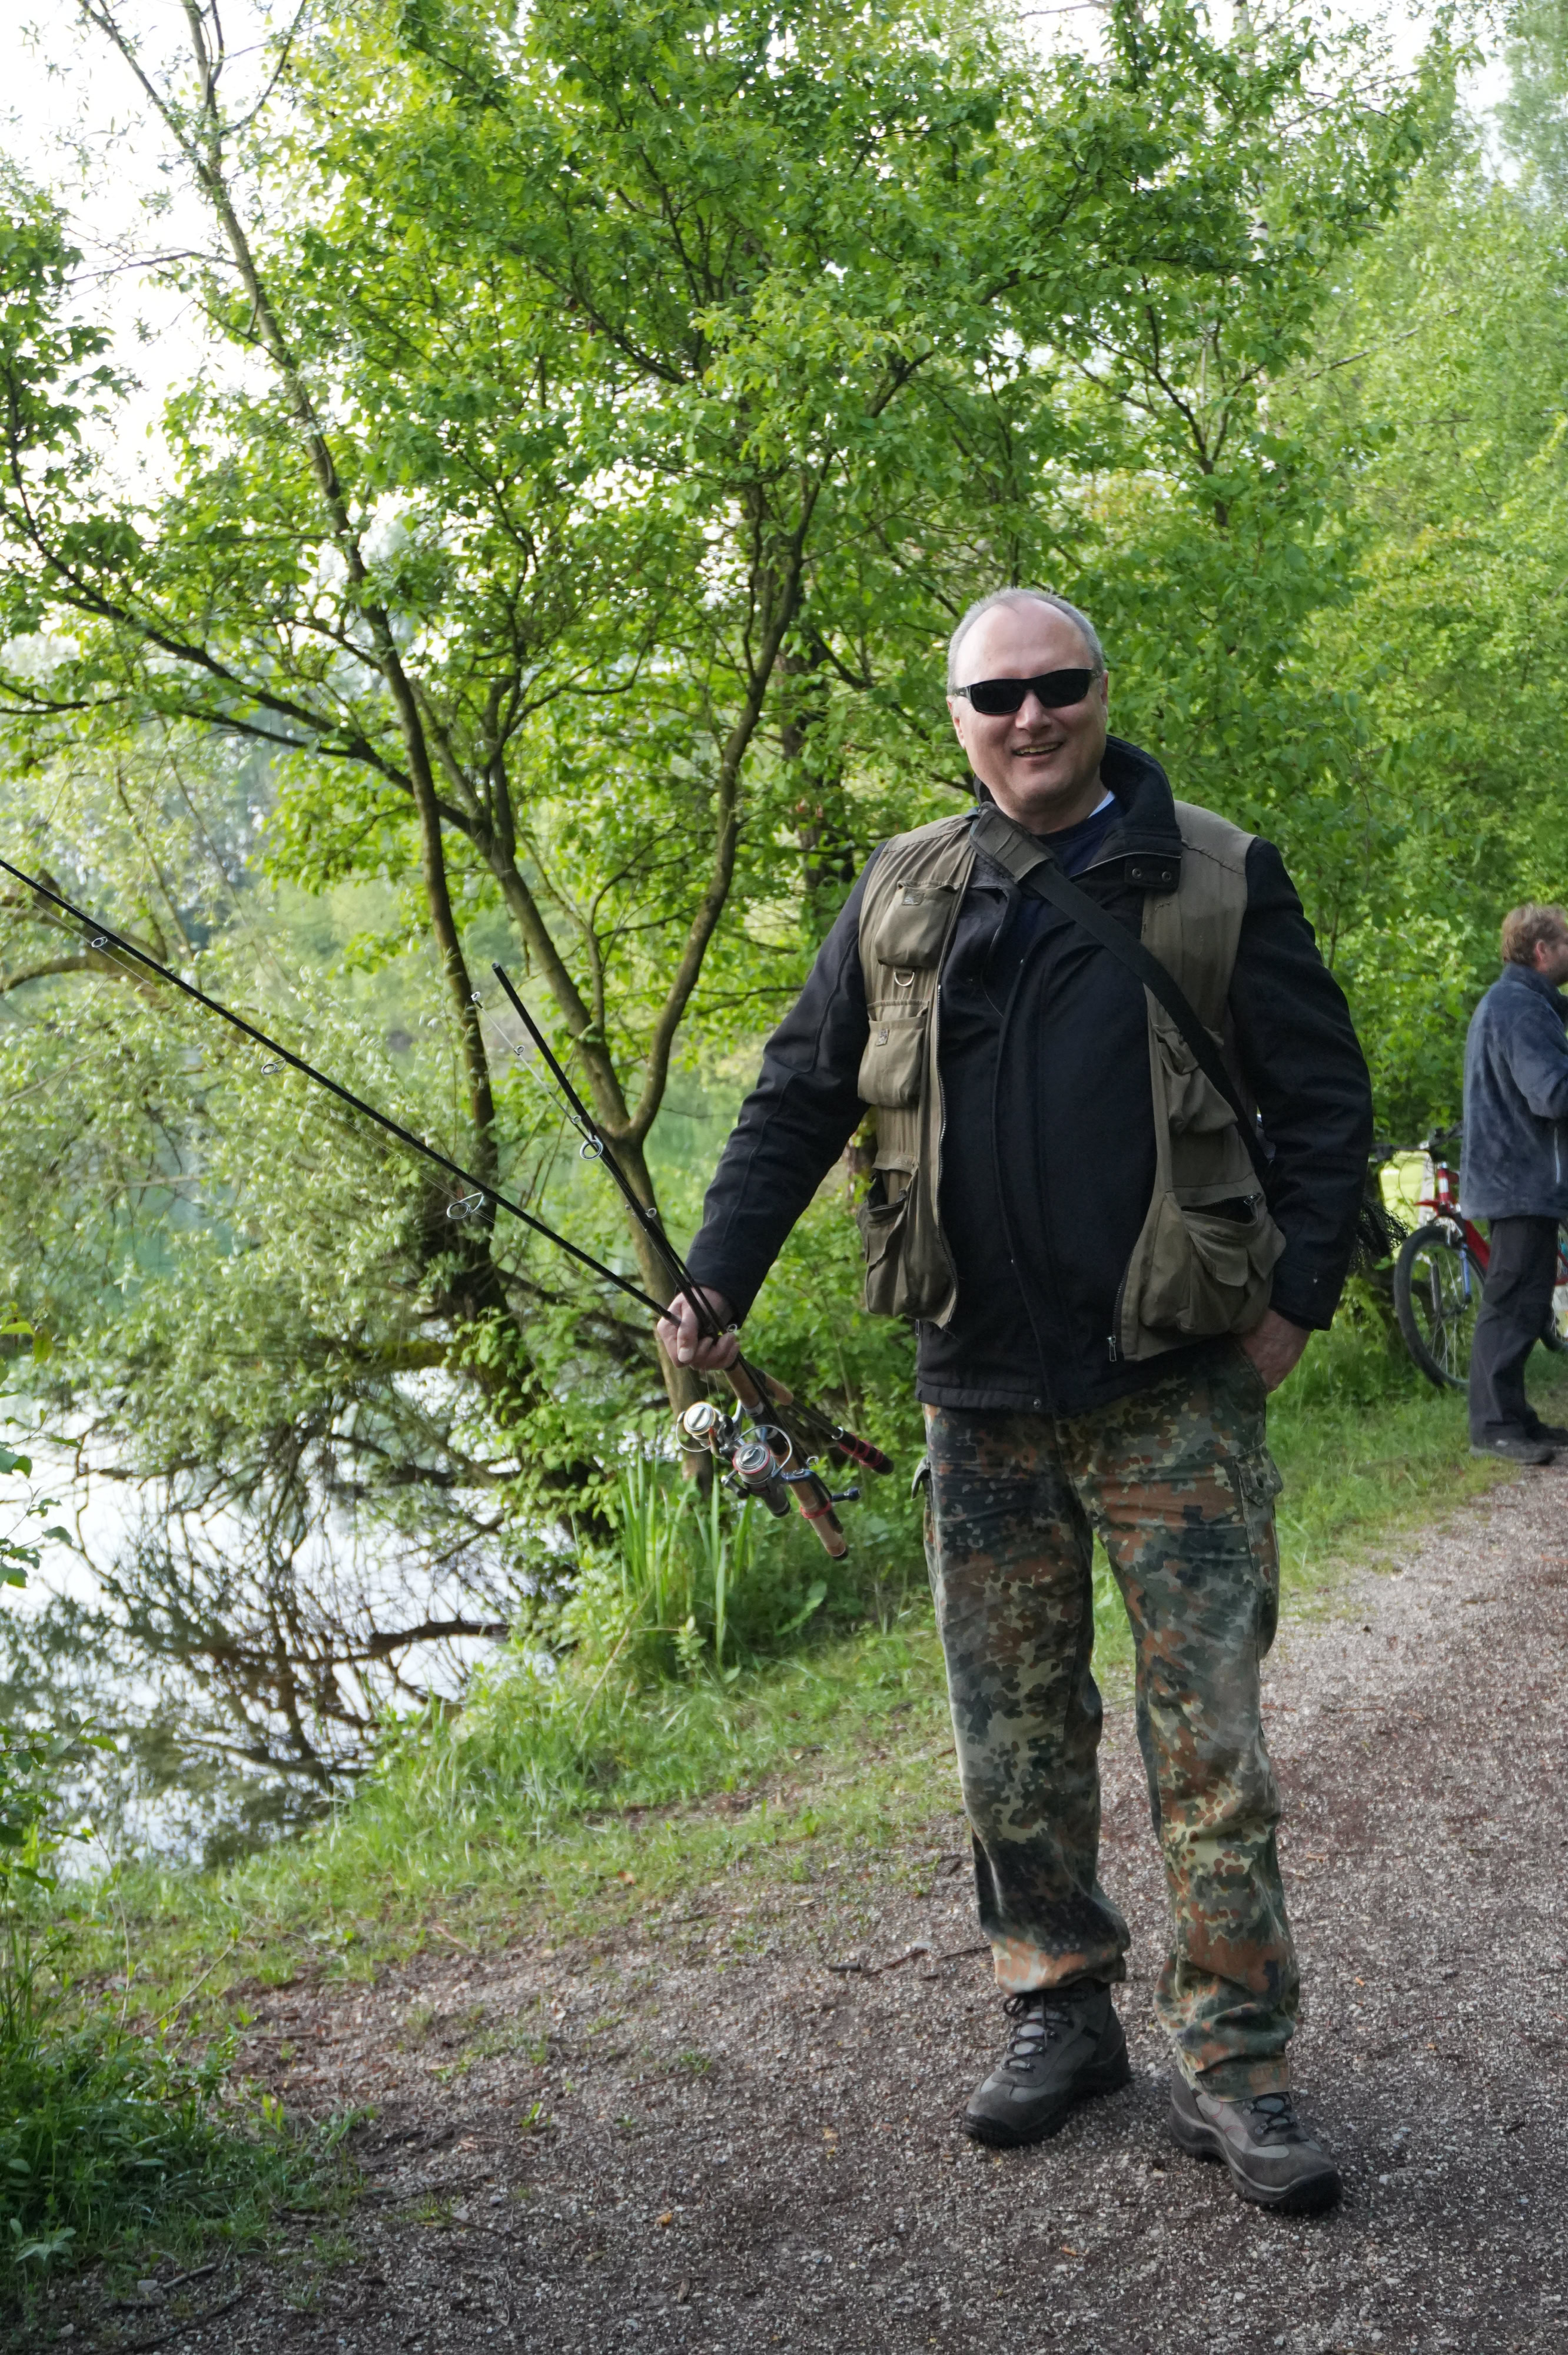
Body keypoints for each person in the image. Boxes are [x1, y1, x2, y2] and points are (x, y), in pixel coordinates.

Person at [658, 588, 1372, 2213]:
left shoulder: (1218, 873)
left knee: (1212, 1749)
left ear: (1101, 692)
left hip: (1172, 1389)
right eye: (996, 695)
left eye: (1057, 685)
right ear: (961, 720)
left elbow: (1325, 1103)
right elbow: (797, 1092)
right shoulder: (902, 888)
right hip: (976, 1393)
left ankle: (1238, 2063)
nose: (1029, 715)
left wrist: (1297, 1307)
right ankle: (1059, 2004)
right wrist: (716, 1279)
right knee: (1011, 1740)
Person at [1461, 903, 1568, 1464]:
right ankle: (1494, 1427)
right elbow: (1552, 1093)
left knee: (1526, 1300)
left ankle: (1515, 1418)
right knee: (1510, 1302)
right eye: (1567, 943)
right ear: (1542, 951)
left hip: (1518, 1176)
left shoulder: (1519, 1002)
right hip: (1519, 1177)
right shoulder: (1522, 1010)